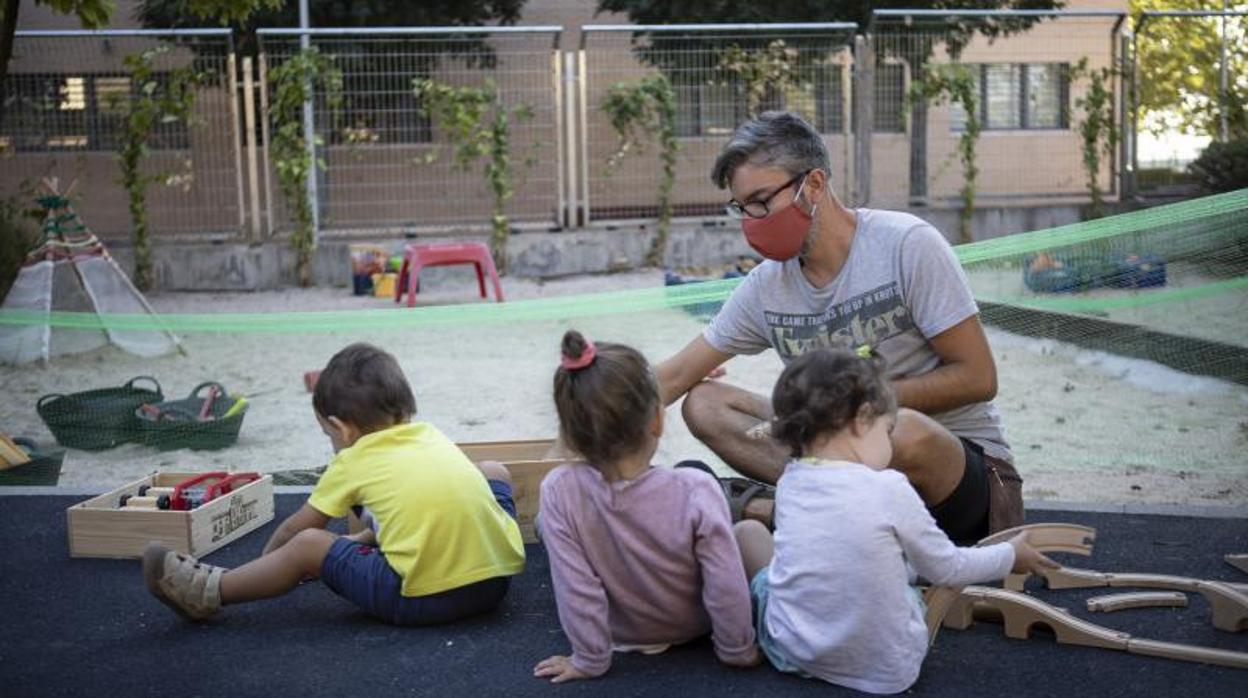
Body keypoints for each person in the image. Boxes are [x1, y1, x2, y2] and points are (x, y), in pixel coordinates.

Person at [656, 111, 1022, 544]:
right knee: (704, 402)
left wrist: (848, 407)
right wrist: (589, 429)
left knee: (901, 429)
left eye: (761, 201)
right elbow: (678, 373)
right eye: (741, 208)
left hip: (958, 479)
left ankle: (772, 510)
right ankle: (810, 512)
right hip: (838, 470)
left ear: (813, 184)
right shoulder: (767, 286)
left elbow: (979, 378)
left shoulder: (907, 245)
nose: (751, 222)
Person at [734, 347, 1056, 694]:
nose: (890, 443)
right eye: (888, 431)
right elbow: (947, 569)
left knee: (749, 534)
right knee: (903, 584)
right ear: (863, 418)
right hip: (885, 671)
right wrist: (1010, 555)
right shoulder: (888, 487)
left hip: (793, 652)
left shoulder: (790, 481)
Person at [141, 343, 526, 625]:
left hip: (423, 599)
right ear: (405, 409)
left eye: (328, 434)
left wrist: (268, 565)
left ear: (341, 428)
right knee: (492, 472)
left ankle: (209, 591)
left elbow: (297, 530)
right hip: (493, 584)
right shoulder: (430, 434)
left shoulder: (352, 460)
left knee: (309, 545)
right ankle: (380, 544)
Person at [533, 331, 759, 683]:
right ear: (658, 419)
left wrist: (588, 660)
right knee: (747, 534)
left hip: (616, 632)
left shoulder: (559, 491)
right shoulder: (694, 489)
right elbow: (724, 581)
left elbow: (577, 588)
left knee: (546, 526)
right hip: (693, 625)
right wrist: (736, 649)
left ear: (572, 432)